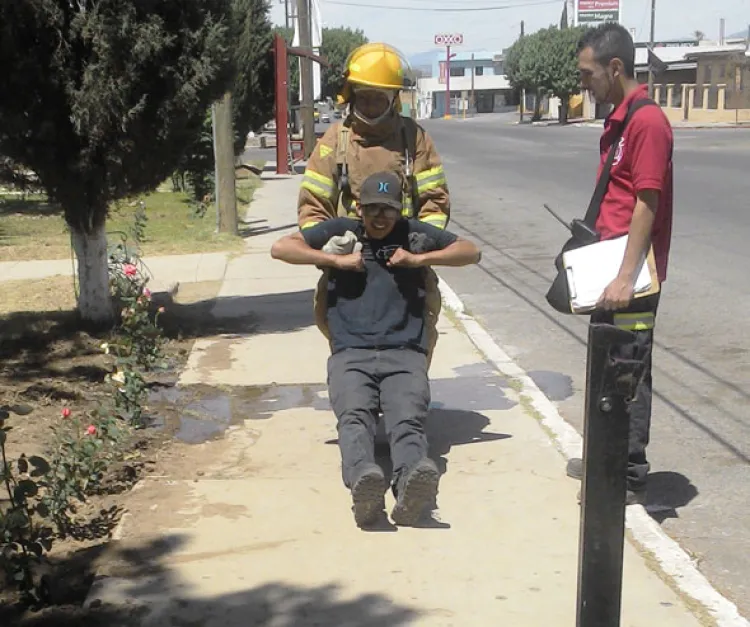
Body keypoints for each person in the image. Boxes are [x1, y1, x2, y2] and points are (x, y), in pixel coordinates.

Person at [272, 171, 481, 528]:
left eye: (388, 209)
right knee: (354, 417)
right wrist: (335, 261)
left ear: (399, 210)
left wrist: (418, 260)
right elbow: (281, 248)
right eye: (372, 209)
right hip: (351, 352)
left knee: (407, 420)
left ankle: (411, 484)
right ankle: (364, 482)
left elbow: (471, 251)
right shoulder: (342, 231)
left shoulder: (414, 234)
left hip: (405, 351)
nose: (380, 217)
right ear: (359, 208)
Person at [566, 23, 674, 505]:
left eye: (588, 74)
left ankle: (627, 476)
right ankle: (605, 461)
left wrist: (627, 276)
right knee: (606, 368)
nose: (583, 84)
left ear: (615, 68)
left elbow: (647, 202)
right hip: (605, 269)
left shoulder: (648, 123)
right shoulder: (619, 120)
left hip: (627, 277)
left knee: (628, 372)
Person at [297, 42, 450, 366]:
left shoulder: (415, 139)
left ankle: (405, 403)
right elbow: (313, 206)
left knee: (416, 344)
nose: (369, 104)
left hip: (404, 265)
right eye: (363, 95)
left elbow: (434, 201)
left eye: (378, 96)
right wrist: (331, 249)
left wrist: (418, 245)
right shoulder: (334, 142)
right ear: (351, 94)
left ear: (393, 98)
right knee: (348, 346)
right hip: (352, 265)